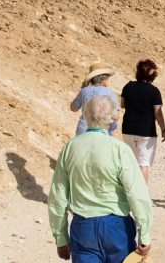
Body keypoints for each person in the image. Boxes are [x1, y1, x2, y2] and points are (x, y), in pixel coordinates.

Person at [48, 95, 152, 262]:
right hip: (116, 227)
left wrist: (60, 238)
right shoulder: (119, 149)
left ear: (86, 116)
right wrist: (144, 235)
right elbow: (137, 194)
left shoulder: (70, 148)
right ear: (112, 119)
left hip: (83, 227)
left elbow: (58, 196)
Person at [120, 59, 165, 183]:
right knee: (143, 163)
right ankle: (142, 195)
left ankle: (130, 192)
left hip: (128, 129)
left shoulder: (128, 86)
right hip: (146, 131)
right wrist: (163, 128)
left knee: (131, 161)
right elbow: (158, 112)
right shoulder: (154, 91)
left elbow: (123, 104)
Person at [70, 63, 119, 135]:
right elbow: (116, 116)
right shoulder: (111, 93)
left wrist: (82, 89)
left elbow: (73, 108)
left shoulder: (84, 91)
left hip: (83, 130)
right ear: (104, 79)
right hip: (103, 131)